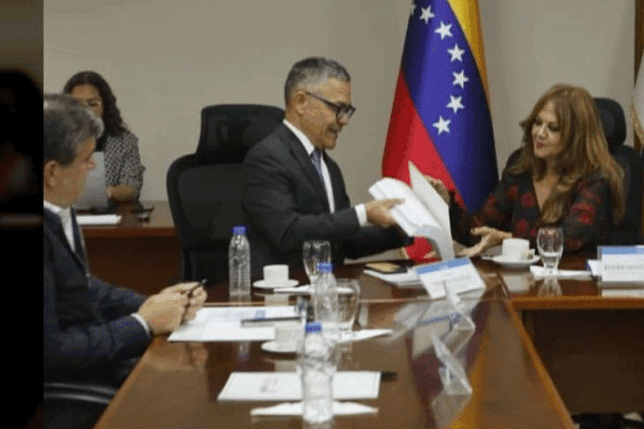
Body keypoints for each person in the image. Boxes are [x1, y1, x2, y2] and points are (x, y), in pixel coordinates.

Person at [43, 94, 207, 389]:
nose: (92, 169)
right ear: (52, 172)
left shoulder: (61, 212)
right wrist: (142, 324)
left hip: (95, 368)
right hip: (72, 387)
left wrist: (156, 303)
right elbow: (52, 353)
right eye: (86, 160)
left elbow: (83, 290)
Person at [242, 57, 409, 279]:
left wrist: (406, 226)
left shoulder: (329, 167)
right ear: (301, 102)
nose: (344, 121)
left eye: (347, 111)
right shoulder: (267, 158)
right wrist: (363, 213)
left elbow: (346, 243)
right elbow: (288, 232)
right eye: (338, 108)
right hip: (281, 292)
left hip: (327, 291)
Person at [428, 84, 625, 256]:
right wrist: (446, 204)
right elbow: (478, 231)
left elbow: (568, 240)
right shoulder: (521, 168)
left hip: (579, 284)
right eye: (538, 123)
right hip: (524, 283)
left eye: (553, 128)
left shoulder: (596, 178)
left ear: (576, 137)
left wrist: (508, 240)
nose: (539, 133)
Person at [63, 71, 145, 202]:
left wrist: (103, 193)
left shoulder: (124, 141)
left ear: (105, 106)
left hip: (109, 211)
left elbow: (133, 187)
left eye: (92, 104)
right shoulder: (53, 140)